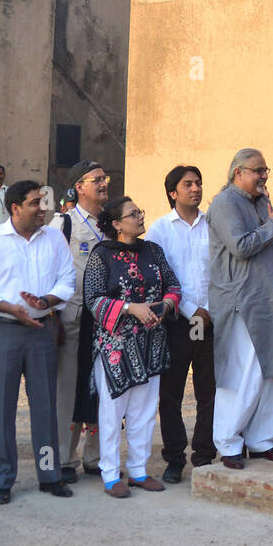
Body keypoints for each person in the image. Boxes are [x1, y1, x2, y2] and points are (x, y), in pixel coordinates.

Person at [0, 179, 76, 504]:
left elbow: (67, 279)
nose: (43, 208)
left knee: (45, 406)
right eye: (35, 203)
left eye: (43, 201)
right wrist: (11, 307)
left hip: (43, 330)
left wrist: (47, 301)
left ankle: (48, 474)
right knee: (2, 407)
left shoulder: (54, 238)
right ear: (15, 208)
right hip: (4, 332)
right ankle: (3, 480)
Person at [208, 149, 273, 467]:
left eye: (266, 170)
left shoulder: (262, 201)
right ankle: (228, 443)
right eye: (258, 170)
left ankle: (262, 439)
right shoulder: (225, 203)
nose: (264, 176)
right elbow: (241, 247)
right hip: (244, 301)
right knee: (244, 373)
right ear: (238, 172)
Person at [85, 196, 181, 496]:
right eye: (133, 214)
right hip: (115, 345)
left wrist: (165, 306)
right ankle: (111, 474)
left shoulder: (153, 250)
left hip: (151, 342)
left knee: (144, 409)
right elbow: (94, 298)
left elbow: (174, 286)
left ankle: (138, 470)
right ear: (116, 224)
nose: (140, 217)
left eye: (140, 211)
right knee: (113, 412)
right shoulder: (102, 255)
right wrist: (130, 308)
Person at [145, 164, 216, 483]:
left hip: (211, 320)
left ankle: (204, 455)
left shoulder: (212, 225)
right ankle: (174, 458)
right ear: (173, 192)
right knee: (170, 393)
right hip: (176, 321)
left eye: (198, 183)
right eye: (188, 184)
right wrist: (191, 310)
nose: (195, 189)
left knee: (209, 390)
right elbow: (158, 275)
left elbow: (221, 270)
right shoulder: (160, 230)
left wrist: (209, 309)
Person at [48, 160, 107, 482]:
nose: (103, 183)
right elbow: (50, 269)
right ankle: (64, 457)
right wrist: (53, 315)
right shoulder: (64, 224)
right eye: (95, 179)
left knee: (101, 389)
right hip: (72, 319)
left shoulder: (110, 224)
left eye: (104, 178)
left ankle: (95, 456)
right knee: (68, 390)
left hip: (106, 323)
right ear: (79, 187)